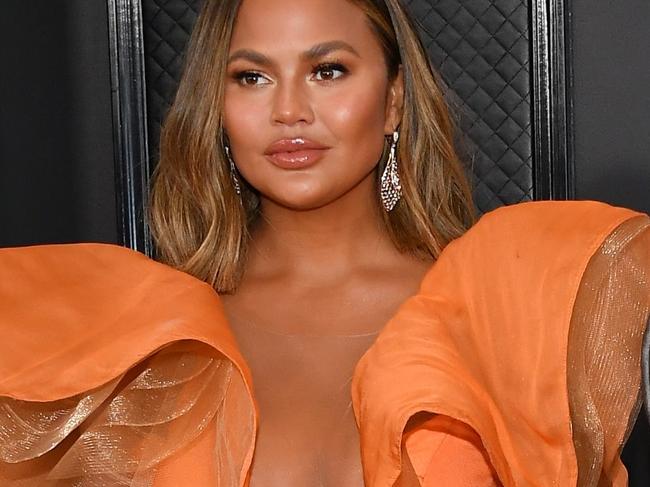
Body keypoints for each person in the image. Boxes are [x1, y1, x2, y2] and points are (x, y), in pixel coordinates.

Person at [0, 0, 648, 486]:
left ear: (393, 101)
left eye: (328, 69)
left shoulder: (502, 320)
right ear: (216, 110)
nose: (289, 111)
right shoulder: (144, 338)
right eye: (251, 77)